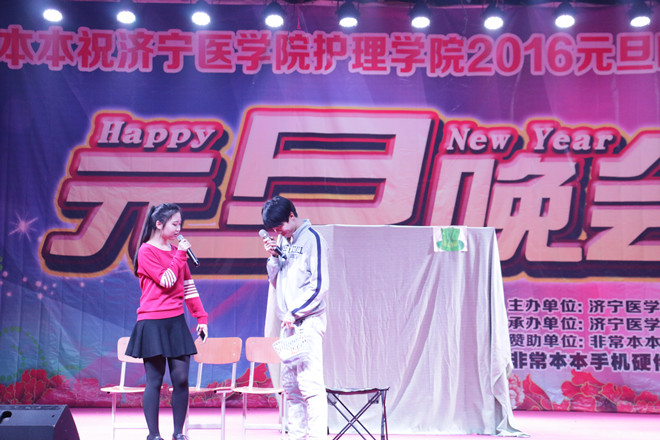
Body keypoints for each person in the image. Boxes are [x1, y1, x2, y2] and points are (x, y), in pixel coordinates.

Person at [125, 203, 208, 440]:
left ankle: (178, 433)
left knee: (181, 379)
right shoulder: (146, 251)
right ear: (159, 223)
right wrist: (180, 254)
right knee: (155, 380)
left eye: (180, 224)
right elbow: (167, 280)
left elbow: (188, 287)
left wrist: (201, 317)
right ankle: (153, 434)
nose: (179, 229)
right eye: (175, 224)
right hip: (152, 322)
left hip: (175, 321)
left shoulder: (176, 252)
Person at [261, 195, 329, 440]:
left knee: (310, 384)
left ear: (291, 215)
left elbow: (319, 286)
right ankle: (297, 435)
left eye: (279, 226)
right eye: (273, 229)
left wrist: (295, 311)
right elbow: (275, 280)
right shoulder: (283, 240)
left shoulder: (313, 239)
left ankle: (317, 436)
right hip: (288, 325)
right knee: (291, 387)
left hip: (308, 322)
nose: (277, 231)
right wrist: (273, 257)